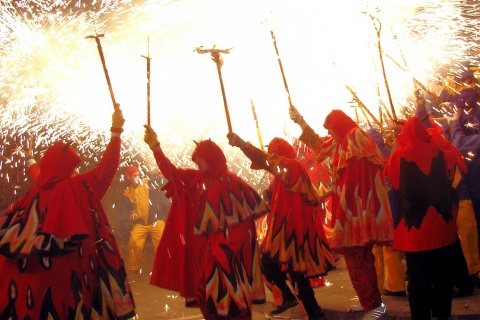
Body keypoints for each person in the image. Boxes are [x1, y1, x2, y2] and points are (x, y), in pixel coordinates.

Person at [0, 105, 136, 319]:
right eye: (73, 167)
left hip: (39, 286)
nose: (76, 171)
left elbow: (36, 171)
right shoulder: (78, 188)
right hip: (74, 278)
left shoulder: (38, 190)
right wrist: (116, 131)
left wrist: (29, 156)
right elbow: (108, 168)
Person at [145, 125, 268, 319]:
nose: (197, 163)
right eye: (196, 159)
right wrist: (156, 147)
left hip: (232, 261)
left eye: (200, 158)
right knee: (210, 305)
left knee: (234, 308)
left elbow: (250, 221)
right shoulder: (195, 179)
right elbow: (172, 172)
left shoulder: (233, 183)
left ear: (211, 159)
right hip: (206, 258)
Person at [289, 107, 394, 319]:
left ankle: (375, 306)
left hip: (359, 212)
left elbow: (358, 179)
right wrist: (300, 120)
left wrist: (349, 211)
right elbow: (319, 143)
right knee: (356, 260)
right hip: (350, 211)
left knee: (360, 259)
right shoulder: (342, 139)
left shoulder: (356, 138)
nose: (329, 135)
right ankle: (368, 302)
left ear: (339, 126)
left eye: (330, 130)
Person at [227, 133, 335, 320]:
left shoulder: (291, 165)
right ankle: (291, 300)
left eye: (274, 153)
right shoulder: (287, 170)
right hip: (288, 232)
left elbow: (265, 160)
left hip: (294, 233)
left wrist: (242, 144)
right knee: (276, 266)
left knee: (295, 275)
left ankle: (314, 313)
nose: (271, 157)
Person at [384, 116, 466, 320]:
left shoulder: (399, 155)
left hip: (415, 231)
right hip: (441, 227)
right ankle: (441, 315)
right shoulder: (439, 150)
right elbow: (450, 174)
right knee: (442, 277)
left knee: (417, 280)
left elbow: (394, 182)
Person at [366, 127, 407, 297]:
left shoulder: (370, 159)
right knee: (392, 249)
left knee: (376, 251)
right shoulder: (393, 153)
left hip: (378, 212)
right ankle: (396, 285)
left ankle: (375, 287)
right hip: (395, 209)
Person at [121, 165, 170, 274]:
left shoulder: (147, 182)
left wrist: (164, 171)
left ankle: (163, 268)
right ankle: (134, 268)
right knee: (134, 242)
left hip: (156, 221)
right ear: (128, 177)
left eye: (138, 175)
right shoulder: (127, 192)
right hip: (141, 223)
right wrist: (130, 215)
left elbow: (162, 180)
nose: (137, 178)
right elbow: (124, 209)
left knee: (162, 242)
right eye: (134, 176)